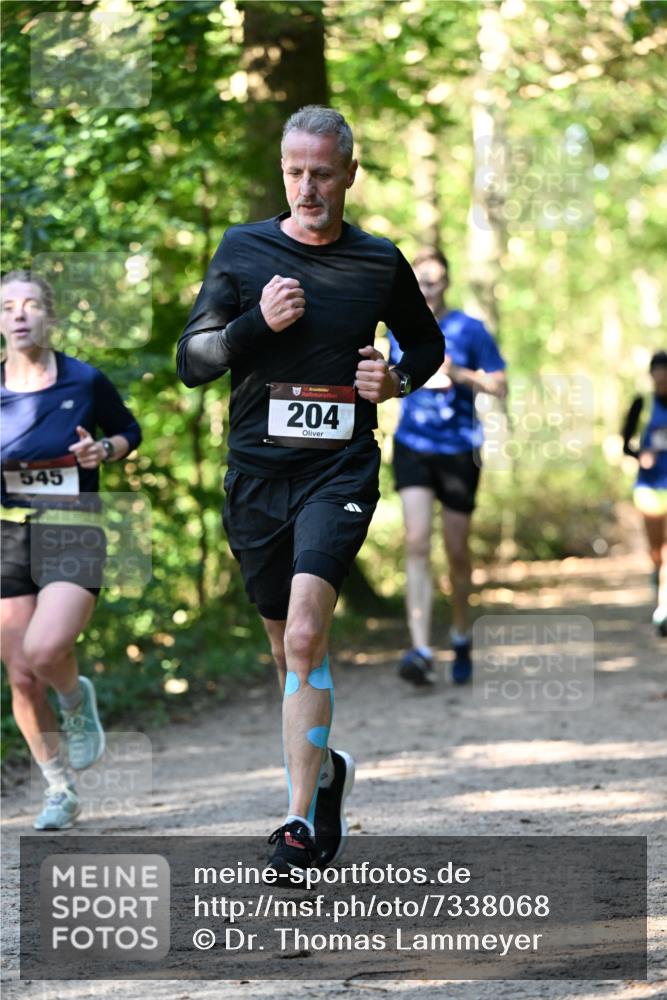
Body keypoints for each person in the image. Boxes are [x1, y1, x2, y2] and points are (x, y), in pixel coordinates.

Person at [177, 106, 443, 876]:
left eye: (322, 173)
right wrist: (251, 326)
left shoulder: (376, 261)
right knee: (284, 647)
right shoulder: (244, 249)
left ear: (350, 173)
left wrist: (395, 380)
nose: (307, 187)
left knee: (302, 636)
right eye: (295, 172)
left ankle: (294, 823)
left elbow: (424, 345)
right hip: (256, 476)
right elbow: (192, 360)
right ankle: (325, 775)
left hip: (339, 471)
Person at [1, 270, 142, 829]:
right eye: (8, 305)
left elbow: (129, 431)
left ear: (49, 316)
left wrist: (103, 449)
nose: (19, 314)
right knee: (19, 675)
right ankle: (59, 788)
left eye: (31, 304)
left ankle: (75, 700)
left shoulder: (83, 382)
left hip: (73, 525)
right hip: (7, 532)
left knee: (44, 648)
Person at [387, 248, 507, 686]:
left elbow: (500, 385)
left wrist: (458, 373)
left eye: (436, 281)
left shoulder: (470, 329)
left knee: (457, 552)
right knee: (417, 541)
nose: (429, 289)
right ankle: (419, 649)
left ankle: (460, 634)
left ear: (447, 283)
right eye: (421, 281)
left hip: (459, 450)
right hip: (413, 446)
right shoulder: (397, 328)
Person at [622, 349, 667, 636]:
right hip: (649, 487)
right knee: (656, 552)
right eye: (658, 376)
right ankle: (656, 577)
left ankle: (663, 608)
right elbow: (625, 443)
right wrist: (641, 455)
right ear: (651, 376)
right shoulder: (642, 405)